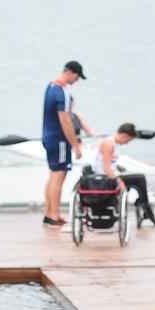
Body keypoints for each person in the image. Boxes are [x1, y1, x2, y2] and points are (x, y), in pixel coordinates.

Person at [41, 61, 92, 226]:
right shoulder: (62, 92)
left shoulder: (50, 86)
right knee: (59, 177)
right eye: (77, 76)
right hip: (60, 140)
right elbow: (65, 121)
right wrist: (75, 145)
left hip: (48, 136)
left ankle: (49, 213)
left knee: (53, 175)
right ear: (70, 72)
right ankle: (54, 216)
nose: (77, 80)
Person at [88, 122, 155, 227]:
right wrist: (119, 181)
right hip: (104, 180)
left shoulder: (112, 143)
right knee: (140, 179)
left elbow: (109, 164)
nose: (127, 143)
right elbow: (106, 169)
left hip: (108, 176)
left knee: (138, 179)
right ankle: (144, 208)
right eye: (128, 140)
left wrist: (118, 170)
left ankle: (143, 206)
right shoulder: (109, 144)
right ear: (124, 135)